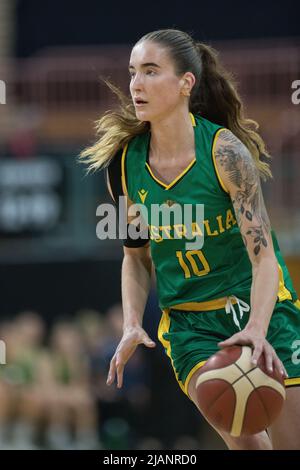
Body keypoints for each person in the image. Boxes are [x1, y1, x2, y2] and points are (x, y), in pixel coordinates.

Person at [80, 29, 300, 450]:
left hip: (258, 307)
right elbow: (136, 257)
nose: (136, 84)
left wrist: (256, 328)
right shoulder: (124, 163)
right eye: (132, 73)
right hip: (189, 326)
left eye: (150, 71)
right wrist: (130, 324)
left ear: (186, 83)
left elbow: (264, 258)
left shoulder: (225, 154)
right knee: (249, 443)